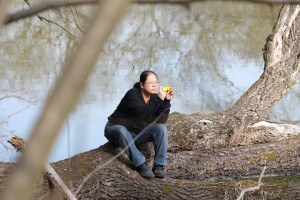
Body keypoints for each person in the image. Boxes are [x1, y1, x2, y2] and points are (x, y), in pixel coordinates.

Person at [104, 70, 173, 179]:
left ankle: (159, 166)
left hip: (136, 133)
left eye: (156, 82)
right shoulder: (132, 94)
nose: (155, 85)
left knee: (161, 128)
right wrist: (159, 99)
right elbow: (143, 113)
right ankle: (141, 164)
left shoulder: (154, 98)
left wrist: (166, 102)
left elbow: (160, 120)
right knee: (121, 130)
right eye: (151, 83)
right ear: (141, 84)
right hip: (115, 129)